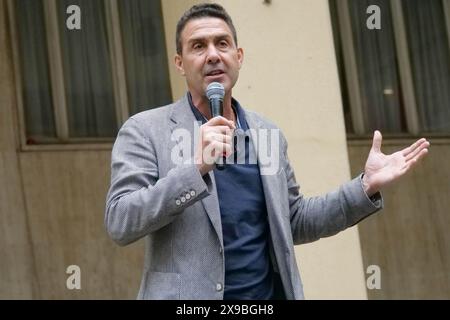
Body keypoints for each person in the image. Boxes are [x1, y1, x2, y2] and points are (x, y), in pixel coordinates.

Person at [105, 3, 429, 300]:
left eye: (222, 43)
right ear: (179, 63)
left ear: (239, 56)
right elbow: (121, 221)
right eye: (198, 46)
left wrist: (364, 186)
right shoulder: (146, 130)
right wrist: (195, 168)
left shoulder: (267, 134)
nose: (213, 55)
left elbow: (295, 220)